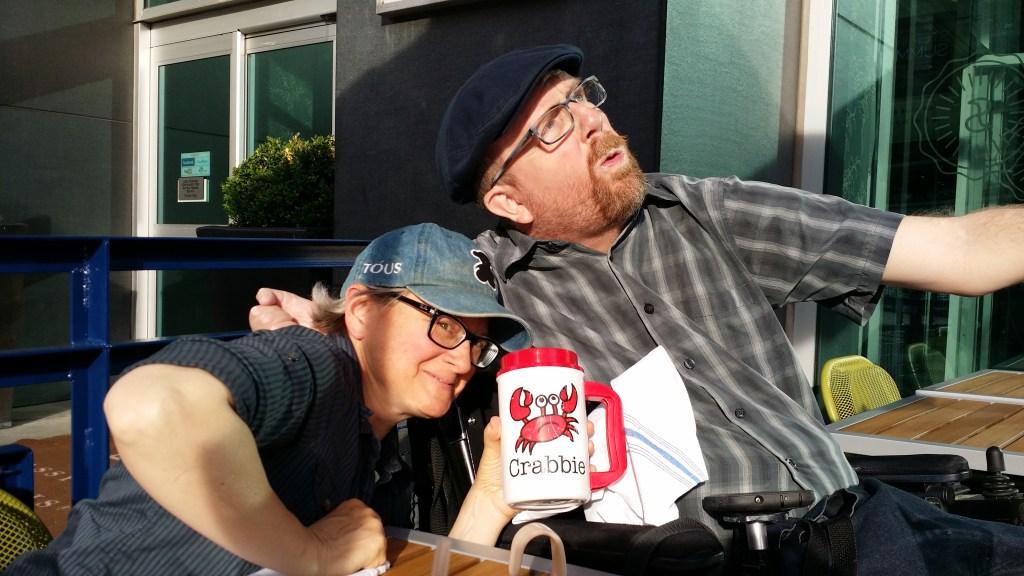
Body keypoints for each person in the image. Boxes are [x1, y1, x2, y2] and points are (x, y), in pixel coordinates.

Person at [257, 45, 1024, 574]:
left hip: (858, 518)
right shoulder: (491, 280)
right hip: (710, 559)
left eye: (581, 99)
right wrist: (324, 325)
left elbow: (963, 254)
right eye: (553, 123)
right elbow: (405, 316)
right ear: (506, 198)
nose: (593, 120)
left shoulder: (709, 211)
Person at [7, 223, 530, 576]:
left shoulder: (384, 459)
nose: (464, 361)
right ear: (364, 313)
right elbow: (150, 405)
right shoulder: (315, 366)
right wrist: (313, 553)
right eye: (442, 325)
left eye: (478, 343)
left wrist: (489, 495)